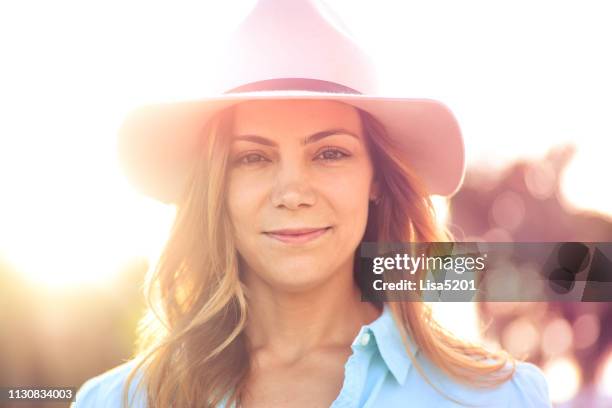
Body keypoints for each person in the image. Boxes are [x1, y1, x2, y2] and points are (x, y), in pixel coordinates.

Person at [73, 0, 551, 407]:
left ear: (377, 179)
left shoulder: (502, 396)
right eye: (253, 158)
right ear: (215, 188)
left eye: (329, 153)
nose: (293, 193)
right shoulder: (117, 400)